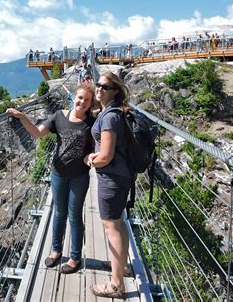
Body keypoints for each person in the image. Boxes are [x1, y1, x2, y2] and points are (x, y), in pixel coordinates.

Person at [6, 85, 96, 274]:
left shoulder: (92, 123)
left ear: (90, 103)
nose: (82, 102)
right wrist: (22, 117)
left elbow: (97, 146)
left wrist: (91, 157)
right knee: (59, 213)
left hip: (79, 176)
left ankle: (74, 257)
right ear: (73, 97)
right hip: (58, 174)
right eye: (80, 98)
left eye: (87, 100)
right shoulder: (59, 116)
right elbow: (37, 133)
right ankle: (56, 251)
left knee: (74, 215)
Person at [87, 72, 132, 298]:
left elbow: (105, 156)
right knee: (119, 224)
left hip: (111, 179)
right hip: (120, 177)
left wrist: (90, 159)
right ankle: (122, 267)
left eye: (104, 87)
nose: (99, 89)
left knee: (111, 226)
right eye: (98, 85)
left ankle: (116, 285)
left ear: (115, 91)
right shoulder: (110, 112)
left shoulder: (110, 117)